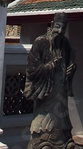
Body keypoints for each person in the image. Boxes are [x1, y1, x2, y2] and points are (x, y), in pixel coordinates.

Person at [23, 13, 77, 149]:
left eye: (63, 29)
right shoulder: (41, 42)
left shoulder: (65, 44)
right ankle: (42, 140)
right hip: (47, 90)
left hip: (61, 90)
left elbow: (70, 61)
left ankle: (64, 140)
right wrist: (51, 65)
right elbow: (31, 69)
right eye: (57, 27)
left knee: (62, 120)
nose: (59, 31)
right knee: (45, 121)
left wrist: (71, 70)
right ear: (52, 25)